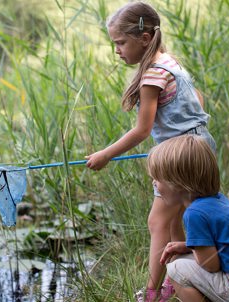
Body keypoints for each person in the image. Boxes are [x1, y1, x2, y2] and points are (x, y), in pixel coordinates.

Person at [84, 2, 216, 301]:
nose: (117, 50)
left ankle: (154, 293)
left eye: (120, 42)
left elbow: (142, 130)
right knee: (178, 219)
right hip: (200, 147)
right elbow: (197, 99)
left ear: (144, 39)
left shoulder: (152, 76)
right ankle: (181, 278)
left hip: (178, 158)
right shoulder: (171, 63)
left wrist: (106, 154)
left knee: (157, 222)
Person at [147, 135, 229, 302]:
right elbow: (220, 248)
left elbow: (211, 265)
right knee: (181, 258)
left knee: (176, 269)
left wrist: (192, 250)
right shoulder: (215, 202)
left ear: (178, 183)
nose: (154, 183)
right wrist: (187, 246)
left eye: (158, 179)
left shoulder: (194, 214)